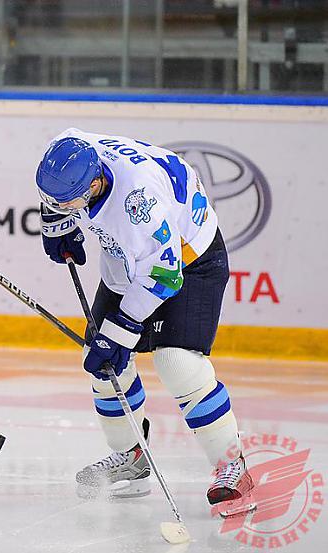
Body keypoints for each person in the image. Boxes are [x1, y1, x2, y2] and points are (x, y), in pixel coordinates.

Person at [35, 128, 254, 516]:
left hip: (190, 259)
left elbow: (165, 275)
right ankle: (130, 457)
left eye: (71, 203)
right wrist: (58, 224)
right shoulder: (69, 150)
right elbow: (53, 191)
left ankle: (232, 466)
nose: (63, 206)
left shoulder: (139, 202)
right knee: (102, 366)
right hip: (128, 259)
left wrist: (121, 331)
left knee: (178, 363)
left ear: (96, 182)